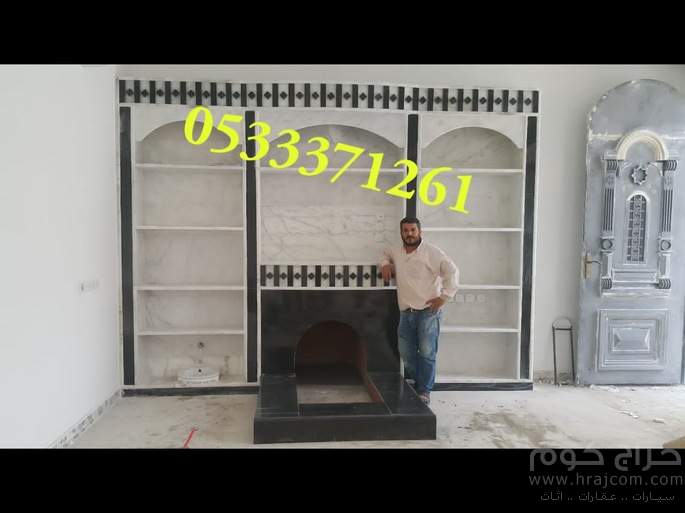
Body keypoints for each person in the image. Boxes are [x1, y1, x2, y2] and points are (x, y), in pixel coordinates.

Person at [380, 216, 459, 405]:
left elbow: (452, 271)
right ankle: (419, 383)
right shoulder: (396, 251)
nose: (409, 234)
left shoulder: (431, 252)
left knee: (427, 353)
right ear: (401, 233)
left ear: (419, 232)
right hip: (405, 312)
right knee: (406, 353)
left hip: (428, 312)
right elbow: (384, 253)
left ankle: (424, 390)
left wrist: (444, 297)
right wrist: (385, 264)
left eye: (413, 230)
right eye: (406, 230)